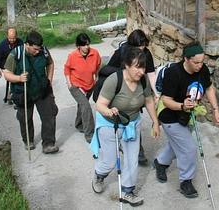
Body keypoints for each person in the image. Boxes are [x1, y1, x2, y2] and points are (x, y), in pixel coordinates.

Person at [90, 46, 160, 207]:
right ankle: (99, 175)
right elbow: (99, 105)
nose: (141, 71)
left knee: (131, 158)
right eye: (137, 67)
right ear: (127, 65)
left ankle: (128, 191)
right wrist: (109, 111)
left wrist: (155, 122)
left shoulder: (143, 80)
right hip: (110, 124)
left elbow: (148, 100)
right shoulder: (114, 80)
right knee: (109, 161)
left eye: (143, 67)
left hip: (131, 123)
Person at [153, 42, 219, 199]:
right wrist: (182, 106)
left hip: (188, 114)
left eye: (202, 62)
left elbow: (209, 88)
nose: (200, 66)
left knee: (177, 143)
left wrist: (216, 109)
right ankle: (186, 181)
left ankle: (161, 163)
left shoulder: (202, 70)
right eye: (196, 62)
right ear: (186, 59)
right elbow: (166, 100)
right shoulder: (173, 73)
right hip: (169, 116)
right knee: (189, 148)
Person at [3, 30, 59, 153]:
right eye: (34, 49)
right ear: (27, 44)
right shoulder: (16, 54)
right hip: (22, 92)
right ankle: (28, 140)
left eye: (39, 49)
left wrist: (49, 80)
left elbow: (50, 64)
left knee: (49, 115)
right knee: (25, 118)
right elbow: (6, 73)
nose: (37, 51)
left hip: (42, 89)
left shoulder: (43, 51)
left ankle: (48, 144)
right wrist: (18, 78)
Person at [107, 29, 157, 165]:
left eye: (144, 46)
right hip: (120, 92)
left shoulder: (146, 53)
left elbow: (151, 74)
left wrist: (156, 92)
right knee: (120, 120)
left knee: (133, 118)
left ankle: (138, 150)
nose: (142, 49)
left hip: (137, 90)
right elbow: (109, 70)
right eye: (139, 46)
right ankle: (114, 147)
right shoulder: (122, 52)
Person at [64, 33, 102, 143]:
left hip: (89, 84)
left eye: (88, 44)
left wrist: (96, 77)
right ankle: (90, 134)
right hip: (75, 85)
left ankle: (79, 123)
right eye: (84, 45)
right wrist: (69, 83)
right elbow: (67, 69)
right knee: (86, 106)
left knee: (82, 105)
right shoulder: (72, 56)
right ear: (78, 46)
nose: (87, 47)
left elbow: (98, 65)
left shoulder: (95, 53)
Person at [0, 27, 23, 104]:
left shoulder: (20, 42)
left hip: (17, 64)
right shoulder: (2, 45)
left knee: (18, 79)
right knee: (12, 79)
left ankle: (12, 95)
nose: (12, 40)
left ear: (16, 36)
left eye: (14, 38)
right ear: (7, 36)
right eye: (10, 38)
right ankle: (11, 95)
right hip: (5, 65)